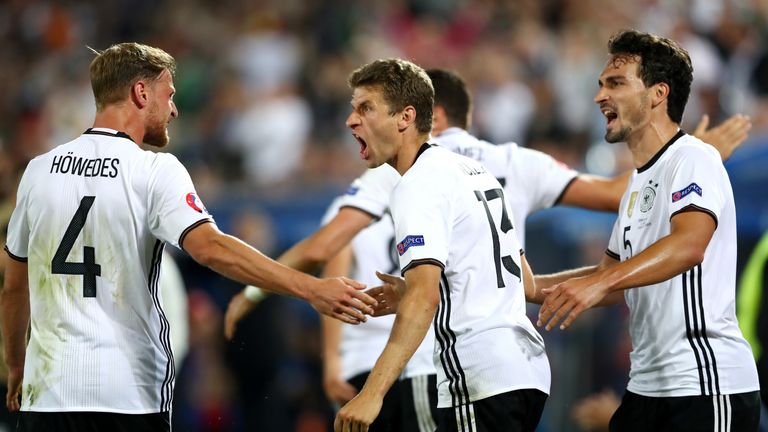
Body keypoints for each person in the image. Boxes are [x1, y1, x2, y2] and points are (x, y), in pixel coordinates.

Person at [0, 42, 375, 432]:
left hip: (47, 395)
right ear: (141, 93)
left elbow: (14, 286)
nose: (175, 110)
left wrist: (16, 365)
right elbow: (211, 249)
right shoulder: (154, 170)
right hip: (126, 395)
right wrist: (310, 288)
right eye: (169, 95)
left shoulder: (38, 172)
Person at [536, 30, 761, 431]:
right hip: (648, 389)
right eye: (601, 84)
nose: (599, 96)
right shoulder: (638, 183)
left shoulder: (693, 158)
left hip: (705, 385)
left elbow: (689, 245)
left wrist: (599, 284)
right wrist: (530, 287)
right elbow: (609, 279)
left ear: (658, 94)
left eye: (616, 83)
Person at [332, 58, 551, 432]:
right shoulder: (473, 172)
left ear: (405, 117)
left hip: (478, 375)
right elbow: (514, 281)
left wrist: (372, 392)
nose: (352, 120)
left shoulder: (418, 184)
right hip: (523, 371)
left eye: (366, 108)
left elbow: (425, 298)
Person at [319, 197, 437, 432]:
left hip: (364, 359)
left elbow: (333, 292)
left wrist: (332, 363)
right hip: (421, 354)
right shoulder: (429, 196)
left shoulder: (348, 206)